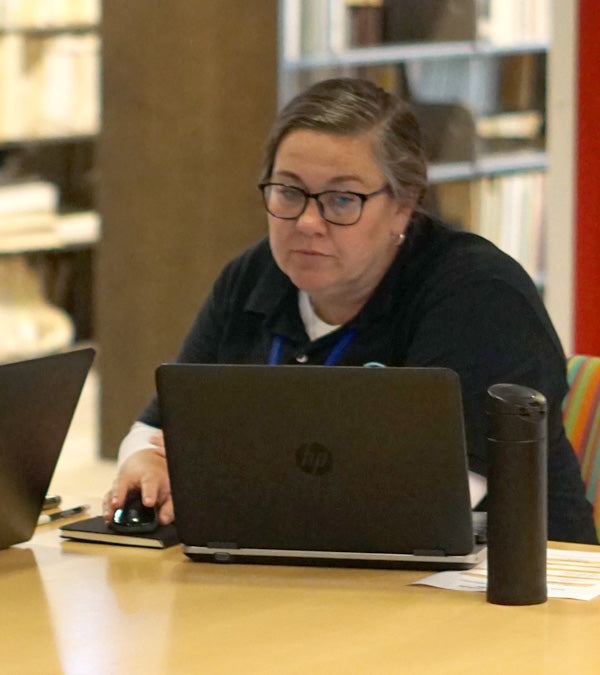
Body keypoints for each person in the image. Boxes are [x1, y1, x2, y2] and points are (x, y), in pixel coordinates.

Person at [106, 77, 598, 545]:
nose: (308, 222)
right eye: (289, 191)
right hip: (297, 577)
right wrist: (145, 465)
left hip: (509, 596)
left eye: (342, 199)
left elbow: (426, 505)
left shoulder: (480, 297)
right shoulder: (253, 278)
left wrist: (218, 473)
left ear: (404, 206)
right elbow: (155, 430)